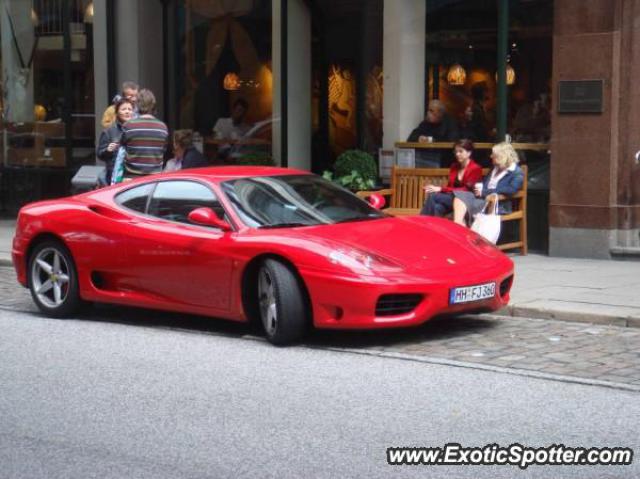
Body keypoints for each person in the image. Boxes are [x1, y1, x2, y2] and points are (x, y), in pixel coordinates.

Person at [452, 142, 524, 226]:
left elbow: (511, 189)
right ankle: (459, 223)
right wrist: (477, 188)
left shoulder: (516, 172)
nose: (491, 156)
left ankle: (459, 226)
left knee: (462, 207)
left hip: (497, 203)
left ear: (502, 156)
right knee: (461, 196)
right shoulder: (495, 168)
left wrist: (485, 192)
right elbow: (485, 184)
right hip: (482, 198)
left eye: (493, 154)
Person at [420, 139, 483, 217]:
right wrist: (441, 190)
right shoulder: (454, 166)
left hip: (465, 199)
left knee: (433, 196)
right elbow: (450, 187)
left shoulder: (475, 168)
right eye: (456, 152)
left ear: (469, 153)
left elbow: (466, 190)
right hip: (452, 198)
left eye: (460, 151)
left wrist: (440, 189)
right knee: (437, 208)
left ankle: (420, 223)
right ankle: (435, 228)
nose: (457, 154)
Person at [119, 89, 168, 179]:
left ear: (137, 105)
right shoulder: (163, 127)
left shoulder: (128, 126)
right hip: (155, 179)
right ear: (153, 105)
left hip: (131, 178)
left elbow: (122, 148)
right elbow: (163, 150)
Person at [407, 99, 459, 167]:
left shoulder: (450, 123)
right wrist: (419, 138)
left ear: (440, 112)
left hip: (444, 162)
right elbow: (411, 138)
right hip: (425, 160)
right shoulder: (425, 123)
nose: (428, 113)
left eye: (431, 111)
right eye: (428, 110)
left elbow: (452, 142)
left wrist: (432, 141)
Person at [96, 98, 134, 185]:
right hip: (114, 177)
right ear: (117, 112)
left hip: (132, 175)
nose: (127, 112)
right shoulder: (109, 132)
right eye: (124, 109)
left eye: (130, 109)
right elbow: (100, 154)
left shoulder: (136, 130)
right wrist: (108, 150)